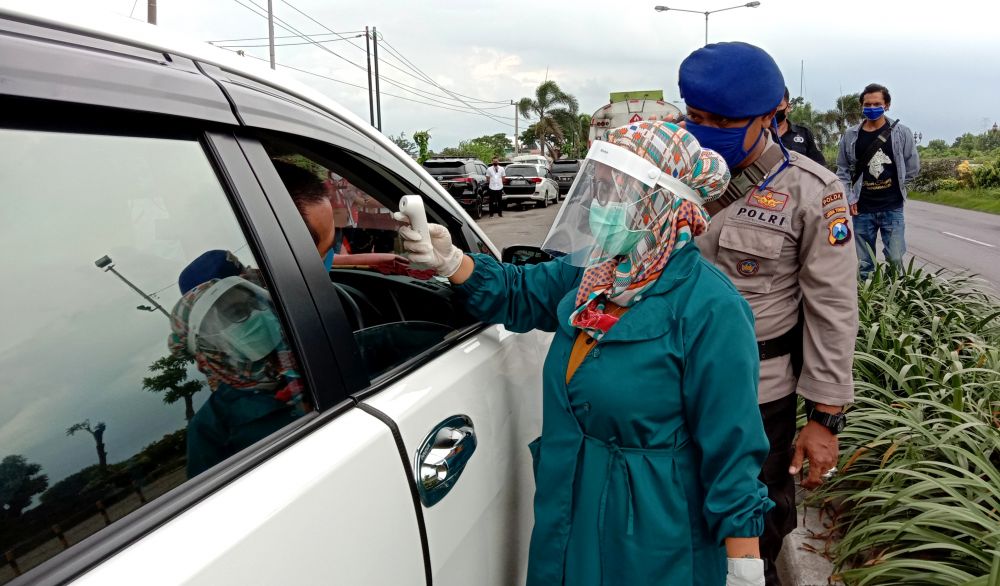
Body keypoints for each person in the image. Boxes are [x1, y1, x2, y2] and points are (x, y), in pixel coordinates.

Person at [398, 121, 771, 586]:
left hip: (653, 538)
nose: (599, 208)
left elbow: (731, 450)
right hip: (568, 512)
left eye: (617, 194)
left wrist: (744, 567)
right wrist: (452, 262)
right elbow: (519, 293)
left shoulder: (711, 309)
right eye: (597, 191)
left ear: (661, 203)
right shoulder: (592, 276)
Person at [676, 42, 858, 585]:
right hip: (667, 383)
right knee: (673, 521)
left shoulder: (812, 191)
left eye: (726, 121)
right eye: (696, 117)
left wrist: (824, 418)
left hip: (757, 397)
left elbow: (832, 307)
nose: (706, 130)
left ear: (769, 116)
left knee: (756, 533)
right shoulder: (664, 173)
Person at [169, 276, 308, 477]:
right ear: (207, 347)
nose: (257, 315)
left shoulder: (311, 352)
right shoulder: (211, 429)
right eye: (236, 313)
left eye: (255, 304)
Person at [835, 83, 920, 279]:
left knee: (895, 259)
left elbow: (913, 167)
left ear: (887, 105)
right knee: (864, 263)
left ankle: (894, 301)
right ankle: (870, 303)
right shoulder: (850, 135)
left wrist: (899, 189)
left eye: (877, 104)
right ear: (862, 106)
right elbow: (843, 169)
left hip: (893, 207)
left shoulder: (901, 133)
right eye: (867, 104)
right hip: (862, 208)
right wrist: (850, 198)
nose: (872, 108)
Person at [774, 87, 825, 165]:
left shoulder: (804, 134)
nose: (774, 111)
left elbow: (820, 165)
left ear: (788, 107)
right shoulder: (758, 134)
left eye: (779, 106)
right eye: (771, 106)